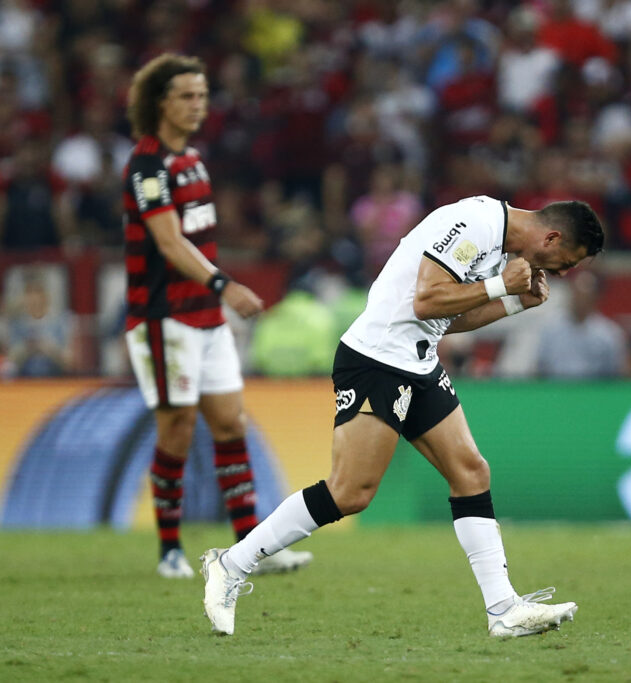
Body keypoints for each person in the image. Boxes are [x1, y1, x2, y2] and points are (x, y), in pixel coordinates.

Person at [200, 196, 604, 637]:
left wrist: (514, 302)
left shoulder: (498, 245)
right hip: (377, 360)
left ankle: (503, 609)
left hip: (418, 361)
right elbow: (426, 302)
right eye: (566, 263)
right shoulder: (477, 224)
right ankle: (230, 564)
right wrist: (500, 286)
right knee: (350, 492)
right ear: (552, 237)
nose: (562, 274)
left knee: (471, 473)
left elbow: (446, 320)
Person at [122, 53, 312, 579]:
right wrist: (225, 285)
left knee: (231, 424)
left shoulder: (195, 161)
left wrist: (215, 296)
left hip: (206, 318)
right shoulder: (147, 166)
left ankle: (249, 550)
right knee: (178, 430)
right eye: (186, 95)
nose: (196, 105)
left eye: (201, 96)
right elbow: (166, 240)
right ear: (160, 102)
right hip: (163, 319)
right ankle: (169, 551)